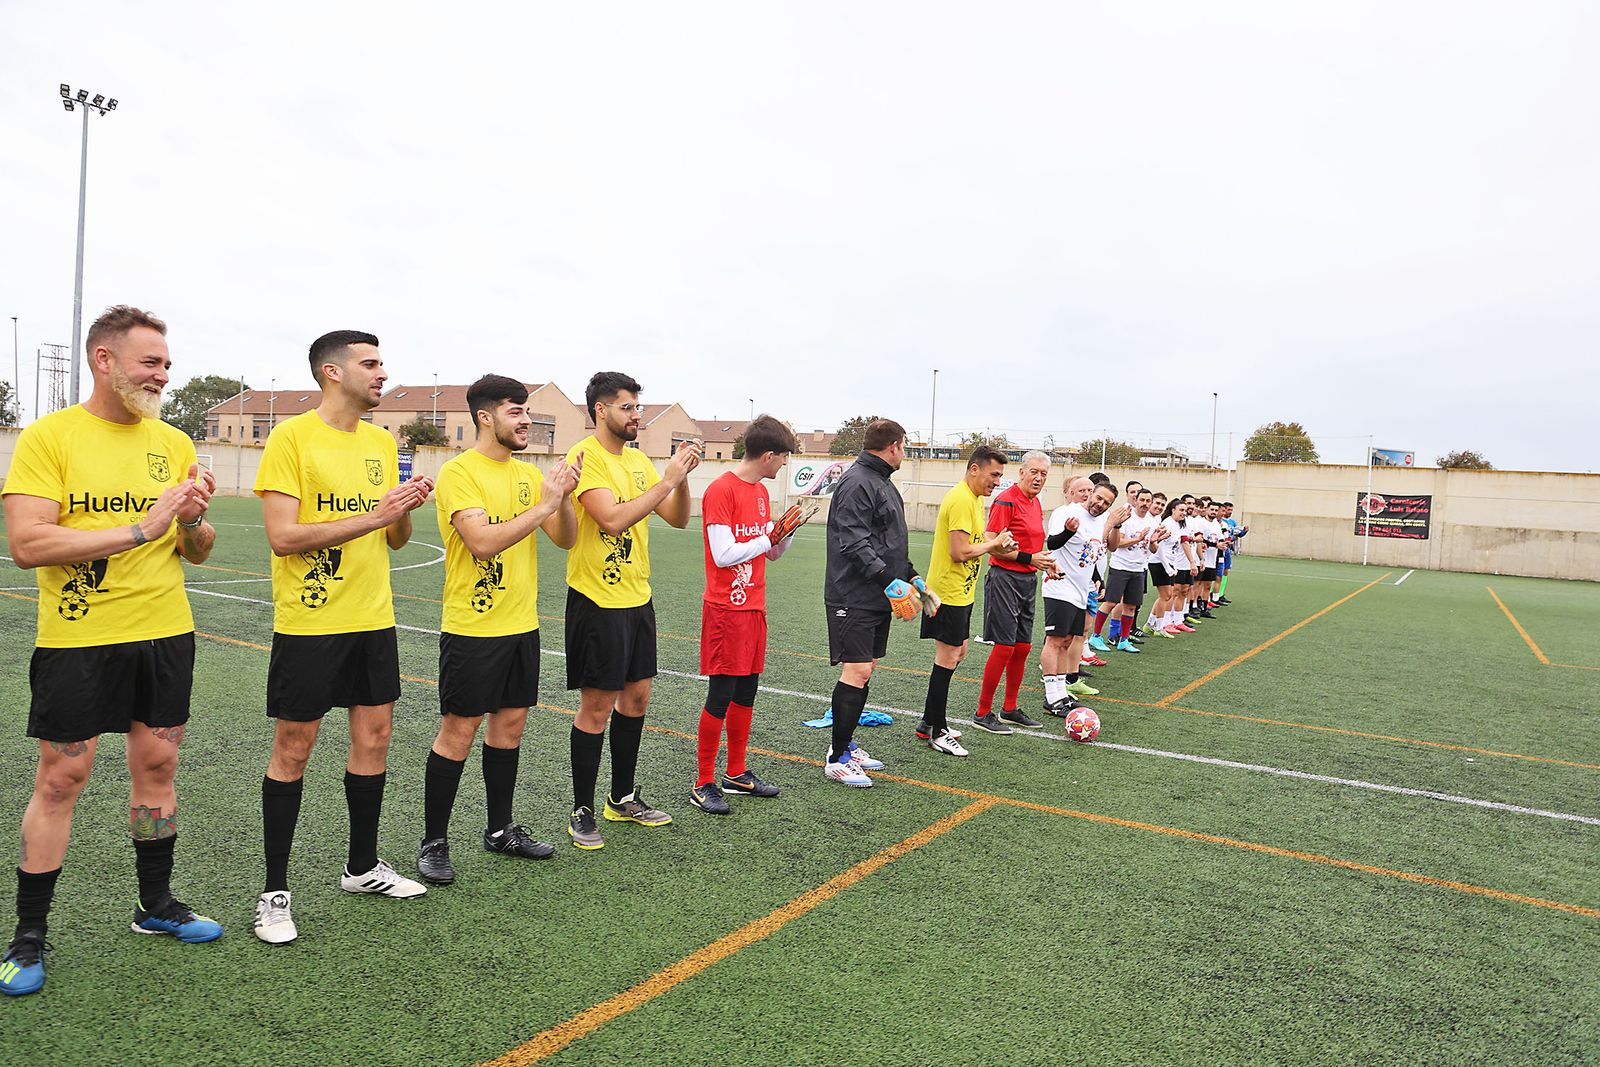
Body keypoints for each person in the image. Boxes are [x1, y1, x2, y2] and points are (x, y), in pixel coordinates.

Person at [1, 306, 221, 996]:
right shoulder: (49, 438)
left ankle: (154, 905)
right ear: (104, 359)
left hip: (164, 633)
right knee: (62, 779)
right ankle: (29, 935)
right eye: (150, 361)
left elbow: (197, 549)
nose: (163, 373)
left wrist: (189, 523)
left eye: (166, 362)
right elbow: (27, 544)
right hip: (80, 640)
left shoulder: (173, 441)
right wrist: (138, 528)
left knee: (158, 763)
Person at [253, 330, 436, 945]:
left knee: (375, 738)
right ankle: (274, 892)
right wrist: (378, 514)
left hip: (371, 618)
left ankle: (362, 867)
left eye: (382, 362)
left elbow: (396, 539)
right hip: (310, 622)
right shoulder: (291, 437)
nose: (383, 373)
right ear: (331, 373)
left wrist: (401, 506)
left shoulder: (384, 442)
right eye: (371, 363)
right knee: (295, 748)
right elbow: (282, 536)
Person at [416, 376, 581, 886]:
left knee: (509, 729)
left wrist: (564, 497)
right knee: (458, 733)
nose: (527, 420)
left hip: (521, 625)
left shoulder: (531, 477)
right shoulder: (459, 473)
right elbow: (483, 542)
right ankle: (434, 841)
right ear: (486, 417)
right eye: (516, 412)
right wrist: (544, 505)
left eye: (527, 411)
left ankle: (499, 828)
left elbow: (567, 539)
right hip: (472, 628)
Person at [564, 372, 701, 848]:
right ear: (600, 411)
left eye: (638, 407)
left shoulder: (640, 461)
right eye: (626, 407)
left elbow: (679, 518)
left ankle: (621, 797)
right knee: (597, 705)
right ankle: (582, 808)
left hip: (637, 596)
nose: (636, 415)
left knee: (637, 697)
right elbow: (612, 518)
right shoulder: (585, 458)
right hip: (596, 599)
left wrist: (679, 480)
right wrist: (666, 480)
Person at [691, 416, 809, 814]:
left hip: (754, 607)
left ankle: (736, 773)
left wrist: (784, 534)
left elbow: (769, 553)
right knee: (721, 695)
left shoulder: (760, 492)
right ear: (768, 455)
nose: (783, 467)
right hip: (726, 609)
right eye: (783, 459)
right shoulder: (720, 490)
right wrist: (767, 536)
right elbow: (723, 554)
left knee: (747, 692)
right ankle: (703, 781)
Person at [821, 419, 929, 786]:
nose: (906, 453)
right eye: (906, 447)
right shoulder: (857, 482)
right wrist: (890, 581)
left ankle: (846, 744)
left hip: (876, 593)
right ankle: (837, 757)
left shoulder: (882, 483)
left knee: (867, 667)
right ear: (895, 446)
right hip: (852, 594)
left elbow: (888, 543)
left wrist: (911, 576)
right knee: (857, 671)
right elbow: (853, 543)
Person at [916, 446, 1015, 756]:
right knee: (947, 657)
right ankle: (937, 730)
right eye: (994, 474)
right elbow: (958, 552)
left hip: (962, 591)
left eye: (1000, 475)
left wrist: (998, 545)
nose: (997, 481)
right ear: (975, 469)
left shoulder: (974, 500)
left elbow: (978, 545)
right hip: (947, 593)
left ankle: (927, 722)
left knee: (957, 654)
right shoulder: (960, 500)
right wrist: (992, 544)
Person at [972, 451, 1059, 734]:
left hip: (1026, 580)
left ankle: (1009, 708)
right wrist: (1030, 559)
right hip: (1004, 579)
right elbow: (993, 544)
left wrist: (1045, 564)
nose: (1039, 478)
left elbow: (1031, 548)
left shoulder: (1035, 503)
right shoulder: (1006, 499)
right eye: (1034, 471)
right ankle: (983, 712)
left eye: (1044, 474)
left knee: (1022, 647)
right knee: (1005, 646)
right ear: (1021, 472)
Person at [1041, 479, 1127, 714]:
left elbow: (1098, 551)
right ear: (1089, 495)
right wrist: (1070, 531)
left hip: (1080, 591)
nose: (1100, 503)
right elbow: (1053, 542)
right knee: (1055, 641)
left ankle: (1061, 693)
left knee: (1068, 641)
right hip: (1059, 585)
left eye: (1106, 502)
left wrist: (1098, 578)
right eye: (1097, 497)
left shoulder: (1100, 521)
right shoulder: (1067, 512)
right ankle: (1051, 697)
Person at [1100, 487, 1157, 653]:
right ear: (1136, 500)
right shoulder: (1127, 517)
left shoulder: (1152, 522)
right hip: (1120, 566)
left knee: (1131, 606)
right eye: (1142, 500)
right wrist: (1138, 538)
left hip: (1138, 569)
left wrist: (1153, 541)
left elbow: (1153, 549)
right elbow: (1117, 544)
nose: (1145, 504)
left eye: (1148, 501)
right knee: (1111, 602)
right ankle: (1096, 636)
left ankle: (1123, 640)